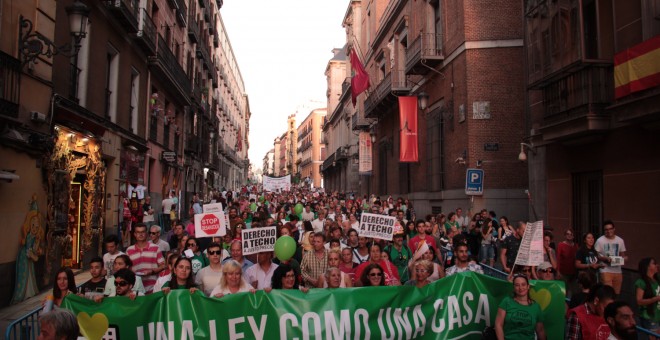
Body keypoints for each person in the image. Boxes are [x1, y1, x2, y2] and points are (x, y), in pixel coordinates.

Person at [494, 274, 546, 339]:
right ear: (514, 287)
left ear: (528, 286)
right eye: (517, 285)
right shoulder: (506, 301)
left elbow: (540, 331)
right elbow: (498, 324)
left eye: (523, 284)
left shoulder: (536, 307)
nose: (520, 288)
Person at [126, 223, 166, 293]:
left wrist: (152, 271)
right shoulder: (129, 250)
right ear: (135, 234)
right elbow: (127, 268)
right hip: (135, 289)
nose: (140, 234)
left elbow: (163, 266)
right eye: (138, 232)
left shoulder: (155, 248)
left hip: (153, 288)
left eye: (143, 232)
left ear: (146, 233)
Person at [595, 220, 628, 295]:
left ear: (614, 229)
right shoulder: (600, 240)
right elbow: (597, 255)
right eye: (606, 229)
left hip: (617, 270)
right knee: (607, 293)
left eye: (610, 229)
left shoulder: (620, 240)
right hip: (605, 269)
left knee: (616, 294)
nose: (608, 231)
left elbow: (623, 255)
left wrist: (624, 259)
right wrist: (605, 258)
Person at [635, 257, 660, 338]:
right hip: (650, 316)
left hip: (658, 315)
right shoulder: (641, 282)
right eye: (654, 263)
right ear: (647, 267)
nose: (656, 265)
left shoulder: (657, 279)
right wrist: (655, 298)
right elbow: (639, 301)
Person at [557, 228, 579, 296]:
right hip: (563, 273)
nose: (569, 235)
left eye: (571, 234)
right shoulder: (561, 245)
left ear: (573, 236)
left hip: (574, 273)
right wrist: (558, 271)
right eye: (567, 234)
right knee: (563, 292)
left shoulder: (576, 246)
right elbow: (558, 258)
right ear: (565, 235)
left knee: (575, 292)